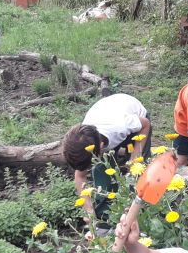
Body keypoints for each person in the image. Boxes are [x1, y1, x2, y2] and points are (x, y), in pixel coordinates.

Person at [62, 93, 151, 230]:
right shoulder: (83, 140)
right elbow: (80, 175)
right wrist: (88, 211)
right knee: (101, 172)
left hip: (138, 124)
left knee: (137, 171)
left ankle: (142, 214)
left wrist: (134, 156)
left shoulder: (121, 126)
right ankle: (105, 219)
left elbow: (145, 124)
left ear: (101, 147)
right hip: (106, 116)